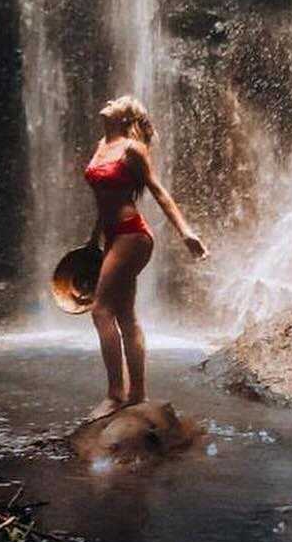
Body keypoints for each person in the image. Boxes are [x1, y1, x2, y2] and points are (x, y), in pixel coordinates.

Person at [81, 94, 207, 422]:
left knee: (100, 310)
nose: (108, 101)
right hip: (112, 235)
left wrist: (186, 233)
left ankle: (115, 395)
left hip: (132, 234)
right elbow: (103, 198)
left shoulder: (132, 150)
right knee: (124, 314)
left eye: (118, 102)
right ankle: (137, 394)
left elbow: (159, 192)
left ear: (127, 118)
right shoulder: (101, 145)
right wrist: (94, 238)